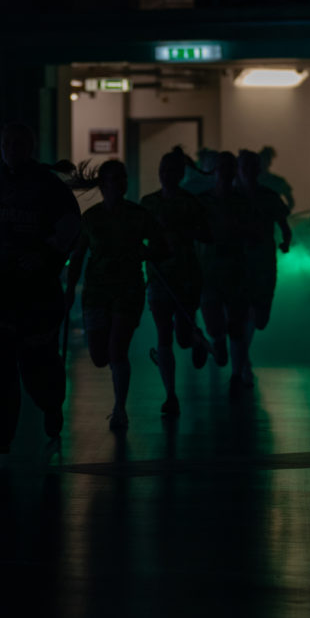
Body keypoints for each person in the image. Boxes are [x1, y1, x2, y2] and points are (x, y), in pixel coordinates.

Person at [0, 124, 82, 452]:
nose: (12, 147)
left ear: (30, 146)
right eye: (7, 141)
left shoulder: (50, 187)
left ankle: (51, 405)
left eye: (19, 142)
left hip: (36, 290)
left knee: (38, 365)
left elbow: (70, 231)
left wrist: (44, 257)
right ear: (0, 146)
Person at [65, 159, 169, 430]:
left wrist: (149, 251)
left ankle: (120, 408)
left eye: (123, 178)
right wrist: (68, 290)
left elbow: (162, 246)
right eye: (115, 179)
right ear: (103, 185)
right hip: (96, 293)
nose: (120, 184)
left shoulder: (138, 215)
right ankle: (118, 404)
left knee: (117, 349)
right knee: (100, 356)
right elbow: (77, 257)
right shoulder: (91, 218)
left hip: (128, 289)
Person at [140, 147, 212, 416]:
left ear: (181, 174)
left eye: (172, 172)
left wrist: (181, 229)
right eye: (163, 171)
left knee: (182, 335)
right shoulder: (148, 203)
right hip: (159, 277)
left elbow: (207, 235)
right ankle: (170, 394)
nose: (166, 176)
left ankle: (195, 340)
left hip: (186, 277)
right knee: (163, 332)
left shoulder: (191, 203)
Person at [197, 152, 255, 395]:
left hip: (235, 271)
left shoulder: (241, 202)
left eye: (230, 168)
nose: (226, 173)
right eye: (222, 168)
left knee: (237, 326)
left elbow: (253, 233)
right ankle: (213, 346)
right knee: (216, 328)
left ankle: (236, 375)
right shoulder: (202, 201)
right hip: (210, 272)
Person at [236, 150, 292, 384]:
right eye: (244, 167)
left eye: (251, 167)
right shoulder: (233, 198)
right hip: (241, 264)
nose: (248, 172)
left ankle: (242, 358)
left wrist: (285, 241)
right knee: (245, 312)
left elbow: (284, 224)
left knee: (260, 317)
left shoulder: (269, 196)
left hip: (264, 264)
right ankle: (242, 360)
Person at [258, 145, 295, 211]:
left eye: (264, 161)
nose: (263, 163)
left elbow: (291, 202)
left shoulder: (278, 181)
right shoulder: (250, 180)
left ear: (269, 162)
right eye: (261, 161)